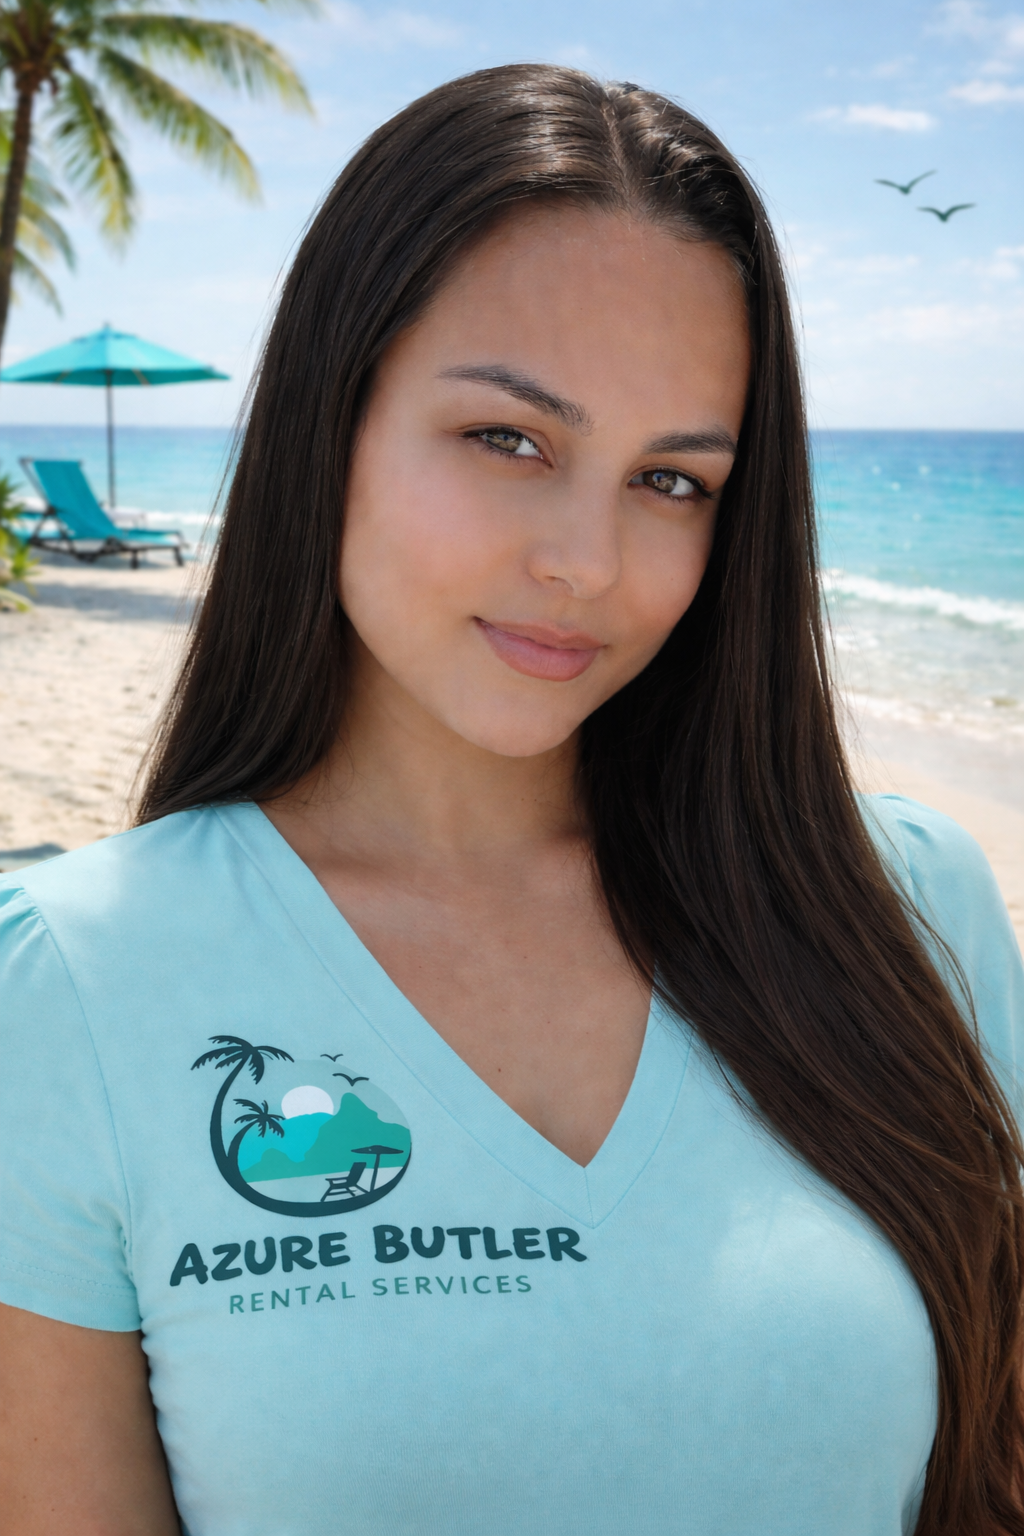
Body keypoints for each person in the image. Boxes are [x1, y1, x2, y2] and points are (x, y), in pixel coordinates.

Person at [0, 64, 1021, 1536]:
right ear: (331, 416)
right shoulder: (73, 988)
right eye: (510, 440)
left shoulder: (907, 911)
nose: (586, 563)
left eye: (672, 481)